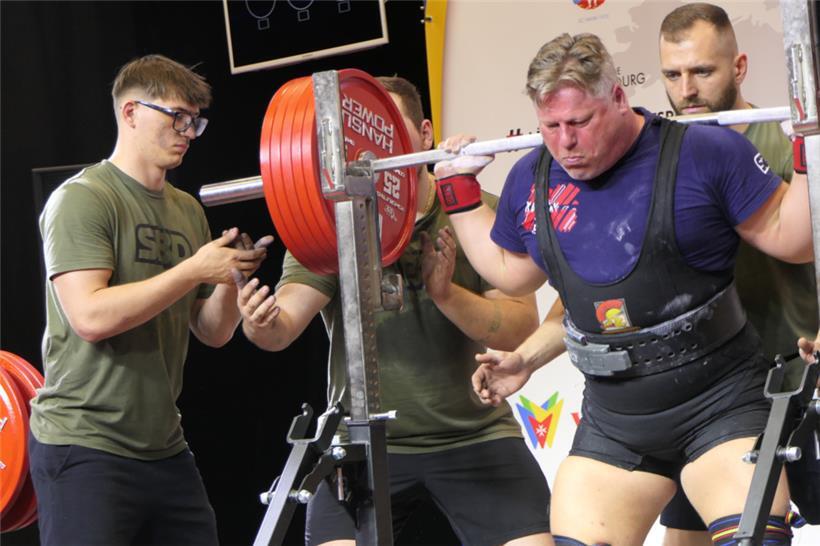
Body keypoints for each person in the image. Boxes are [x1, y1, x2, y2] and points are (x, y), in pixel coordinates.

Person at [433, 32, 812, 545]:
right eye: (551, 126)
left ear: (616, 98)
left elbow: (796, 239)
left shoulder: (705, 152)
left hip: (721, 403)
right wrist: (457, 192)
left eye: (580, 123)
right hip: (617, 422)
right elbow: (511, 271)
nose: (566, 141)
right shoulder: (535, 178)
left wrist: (809, 150)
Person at [236, 76, 554, 546]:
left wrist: (447, 295)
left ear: (425, 135)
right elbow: (280, 331)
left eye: (391, 137)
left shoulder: (474, 213)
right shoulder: (332, 224)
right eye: (356, 145)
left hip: (473, 434)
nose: (373, 158)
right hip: (364, 443)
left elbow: (519, 328)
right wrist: (258, 320)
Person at [29, 54, 272, 545]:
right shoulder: (84, 198)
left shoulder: (186, 209)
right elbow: (91, 316)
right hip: (85, 443)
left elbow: (214, 332)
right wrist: (191, 270)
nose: (188, 131)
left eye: (195, 121)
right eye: (176, 117)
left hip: (165, 447)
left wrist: (228, 276)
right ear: (131, 112)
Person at [656, 4, 817, 545]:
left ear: (740, 67)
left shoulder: (794, 144)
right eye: (673, 76)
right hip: (711, 395)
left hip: (802, 371)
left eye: (703, 71)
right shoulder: (655, 161)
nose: (688, 90)